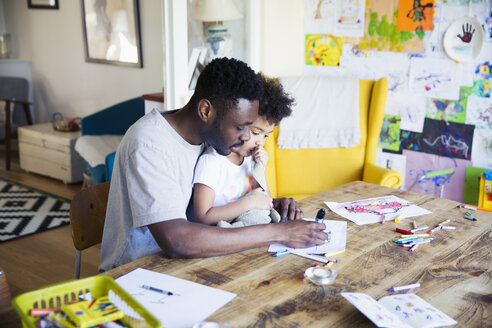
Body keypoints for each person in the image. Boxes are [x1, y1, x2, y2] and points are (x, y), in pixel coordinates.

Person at [99, 58, 327, 272]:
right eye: (241, 127)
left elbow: (214, 202)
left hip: (189, 262)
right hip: (138, 273)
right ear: (205, 111)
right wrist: (278, 232)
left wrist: (270, 204)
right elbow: (177, 240)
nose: (246, 137)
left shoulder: (209, 138)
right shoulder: (149, 143)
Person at [192, 75, 295, 226]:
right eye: (255, 133)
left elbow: (265, 201)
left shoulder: (249, 158)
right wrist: (248, 203)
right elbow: (202, 216)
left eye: (266, 135)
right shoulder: (212, 162)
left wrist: (260, 168)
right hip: (220, 235)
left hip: (247, 230)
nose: (260, 142)